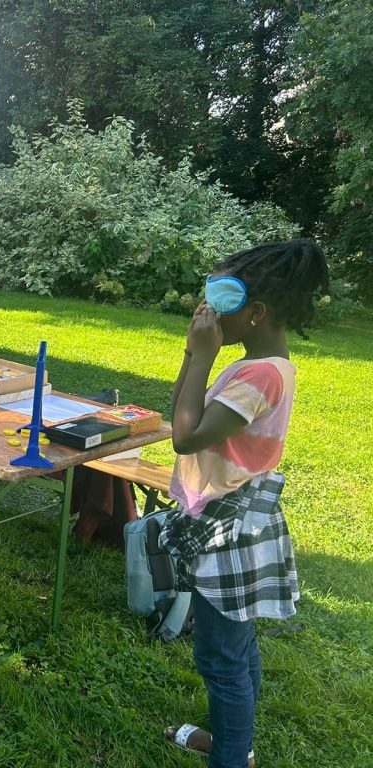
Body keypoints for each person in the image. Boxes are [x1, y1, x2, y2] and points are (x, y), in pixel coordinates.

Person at [159, 240, 330, 768]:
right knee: (236, 643)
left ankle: (231, 758)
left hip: (230, 527)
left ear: (254, 313)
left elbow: (185, 439)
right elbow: (181, 418)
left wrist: (203, 354)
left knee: (221, 657)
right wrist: (195, 355)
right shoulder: (261, 366)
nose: (207, 311)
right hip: (230, 515)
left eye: (220, 300)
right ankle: (239, 746)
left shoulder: (260, 376)